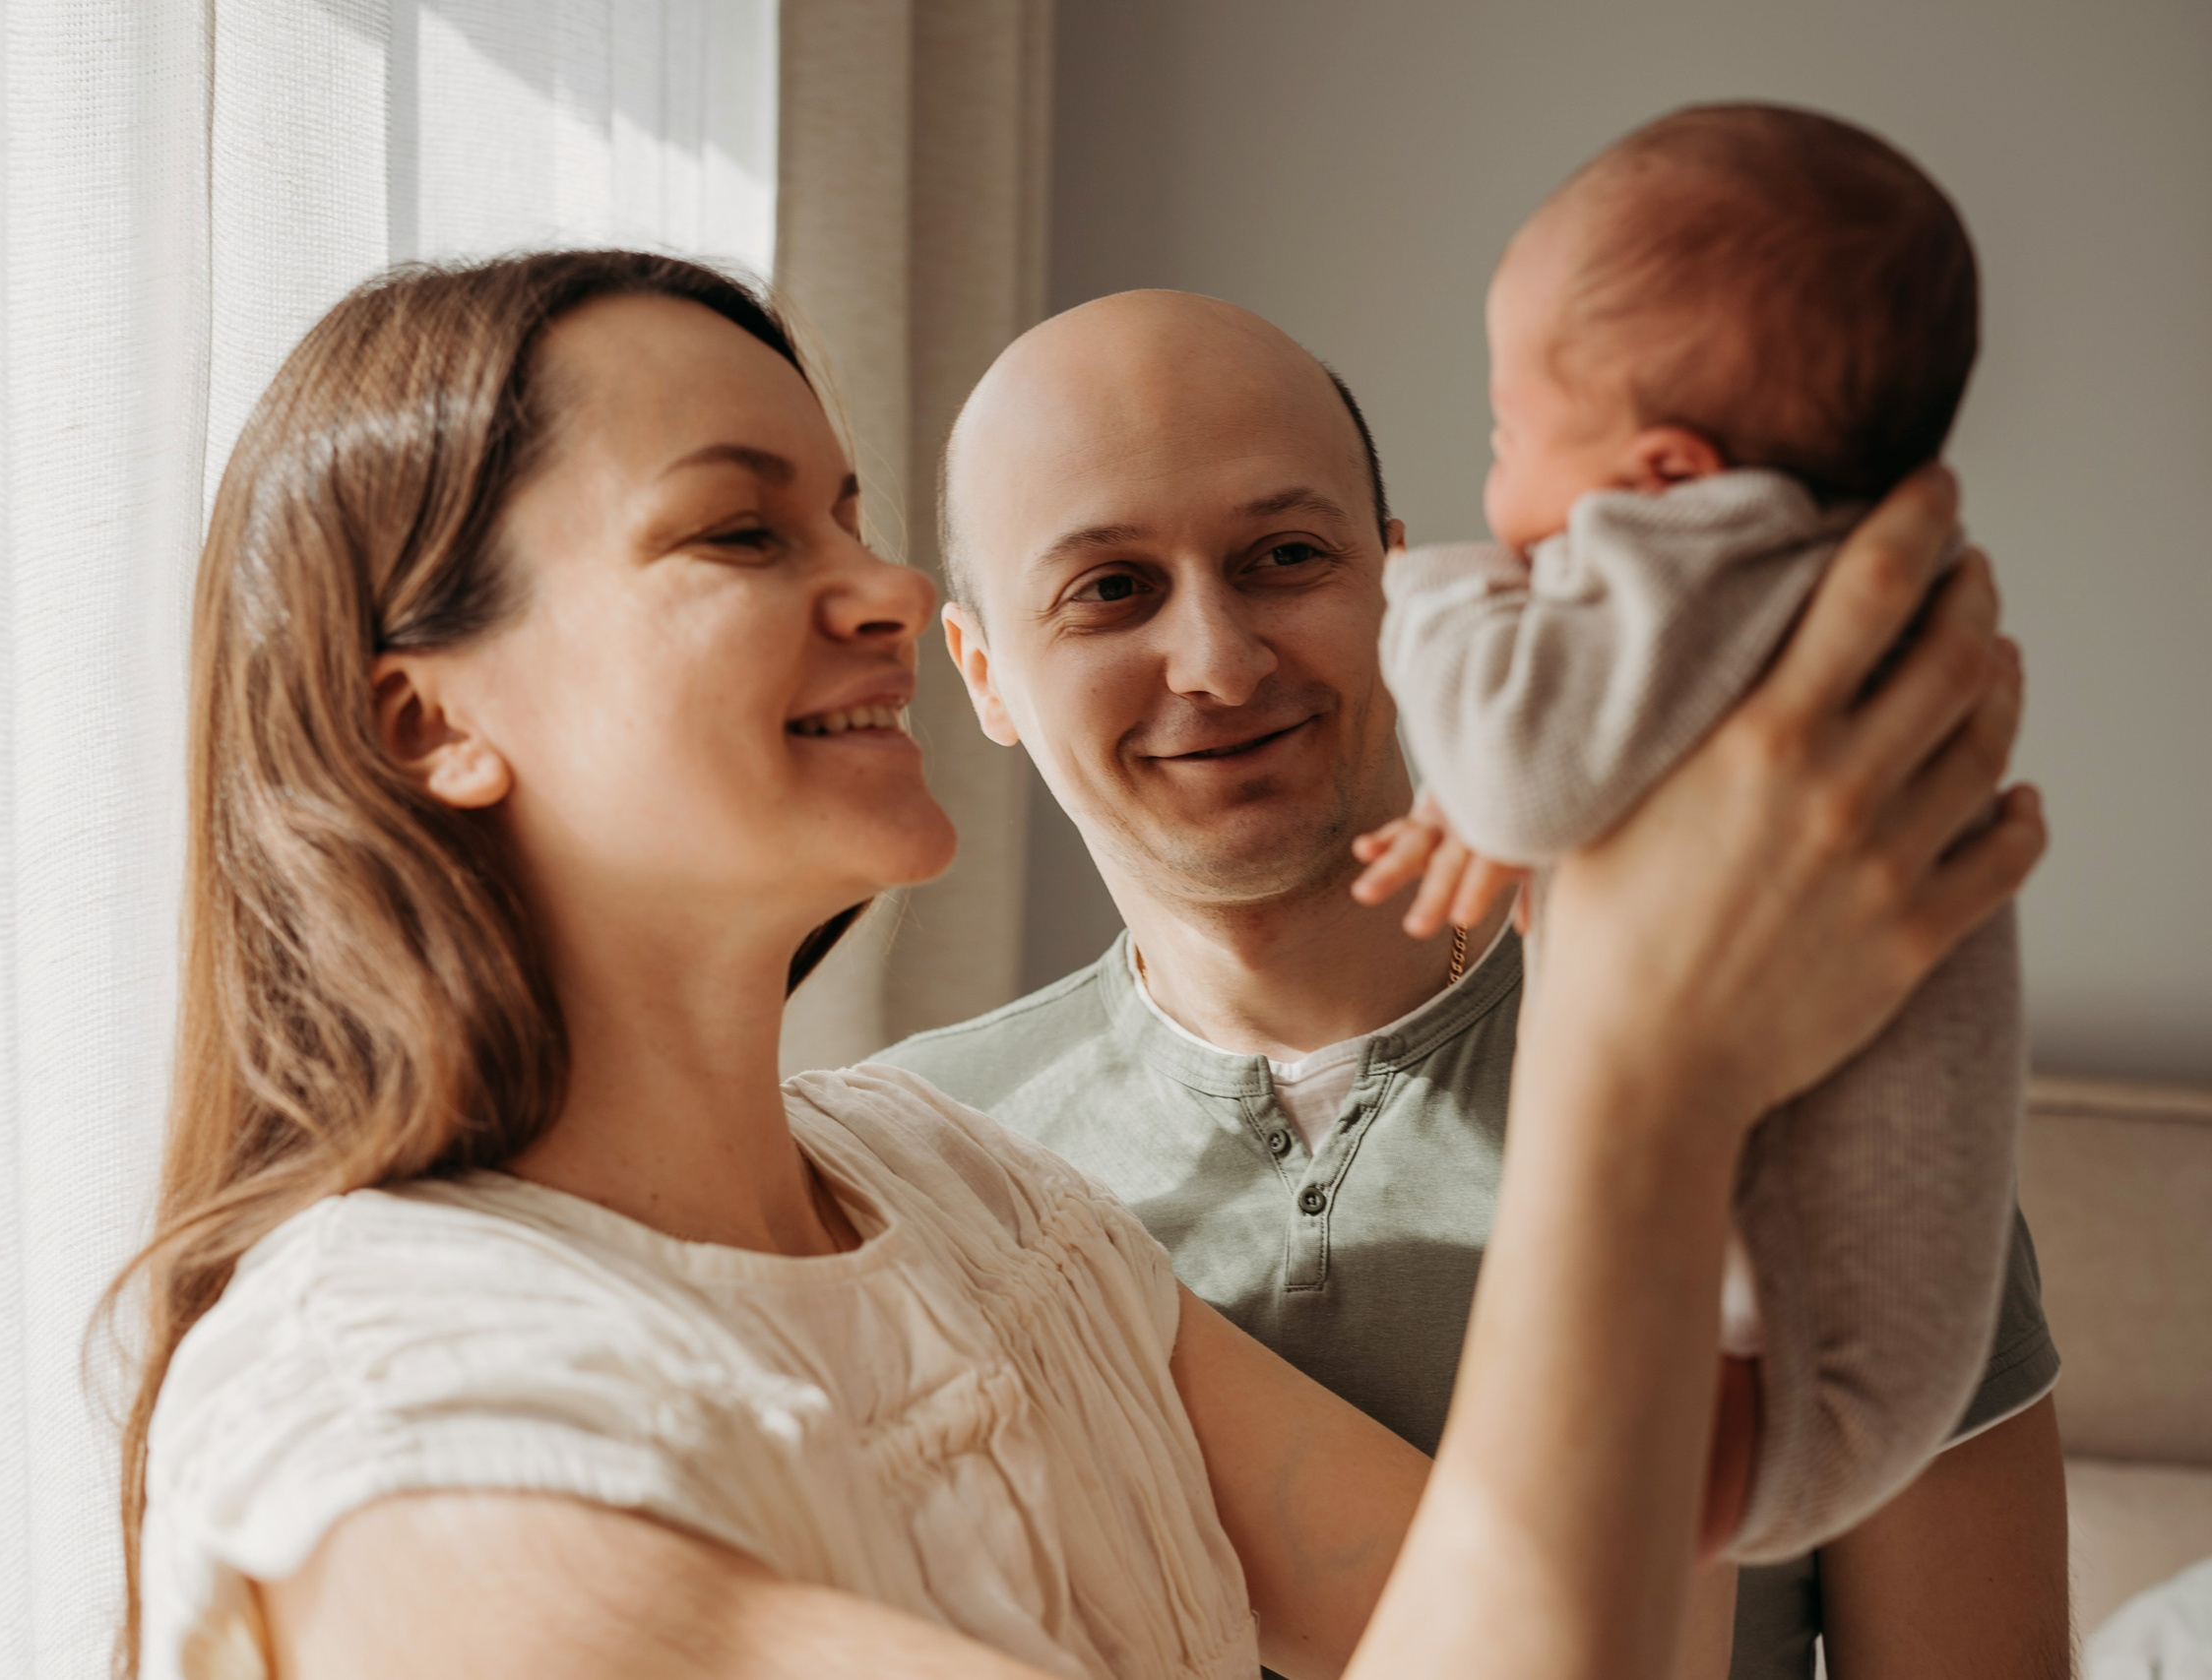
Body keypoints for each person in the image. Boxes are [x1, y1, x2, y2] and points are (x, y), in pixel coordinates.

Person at [110, 249, 2040, 1680]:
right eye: (737, 526)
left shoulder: (967, 1203)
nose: (871, 588)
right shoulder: (411, 1413)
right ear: (423, 718)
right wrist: (1649, 1065)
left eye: (848, 511)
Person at [883, 286, 2065, 1678]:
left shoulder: (1813, 1099)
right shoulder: (902, 1164)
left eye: (1282, 556)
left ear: (1397, 580)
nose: (1217, 659)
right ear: (982, 674)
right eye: (1110, 590)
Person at [1372, 101, 2022, 1563]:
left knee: (1579, 1522)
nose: (1496, 484)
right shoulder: (1801, 594)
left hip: (1800, 1343)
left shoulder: (1706, 560)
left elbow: (1531, 769)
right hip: (1846, 1338)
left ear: (1664, 476)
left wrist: (1427, 596)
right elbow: (1575, 787)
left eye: (1509, 433)